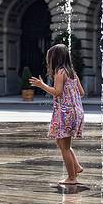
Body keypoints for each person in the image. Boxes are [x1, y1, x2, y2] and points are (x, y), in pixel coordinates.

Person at [29, 43, 85, 185]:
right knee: (60, 141)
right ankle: (76, 166)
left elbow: (57, 92)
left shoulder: (60, 72)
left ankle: (72, 178)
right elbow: (82, 93)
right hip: (75, 111)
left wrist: (42, 85)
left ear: (55, 58)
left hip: (65, 113)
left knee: (64, 146)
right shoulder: (72, 73)